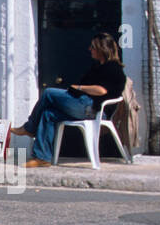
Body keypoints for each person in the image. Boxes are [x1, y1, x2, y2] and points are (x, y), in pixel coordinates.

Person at [12, 33, 126, 167]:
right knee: (48, 114)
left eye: (93, 47)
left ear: (102, 49)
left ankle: (30, 128)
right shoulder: (97, 67)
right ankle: (42, 157)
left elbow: (102, 91)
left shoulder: (113, 68)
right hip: (84, 105)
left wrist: (79, 87)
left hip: (93, 108)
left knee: (48, 93)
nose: (90, 49)